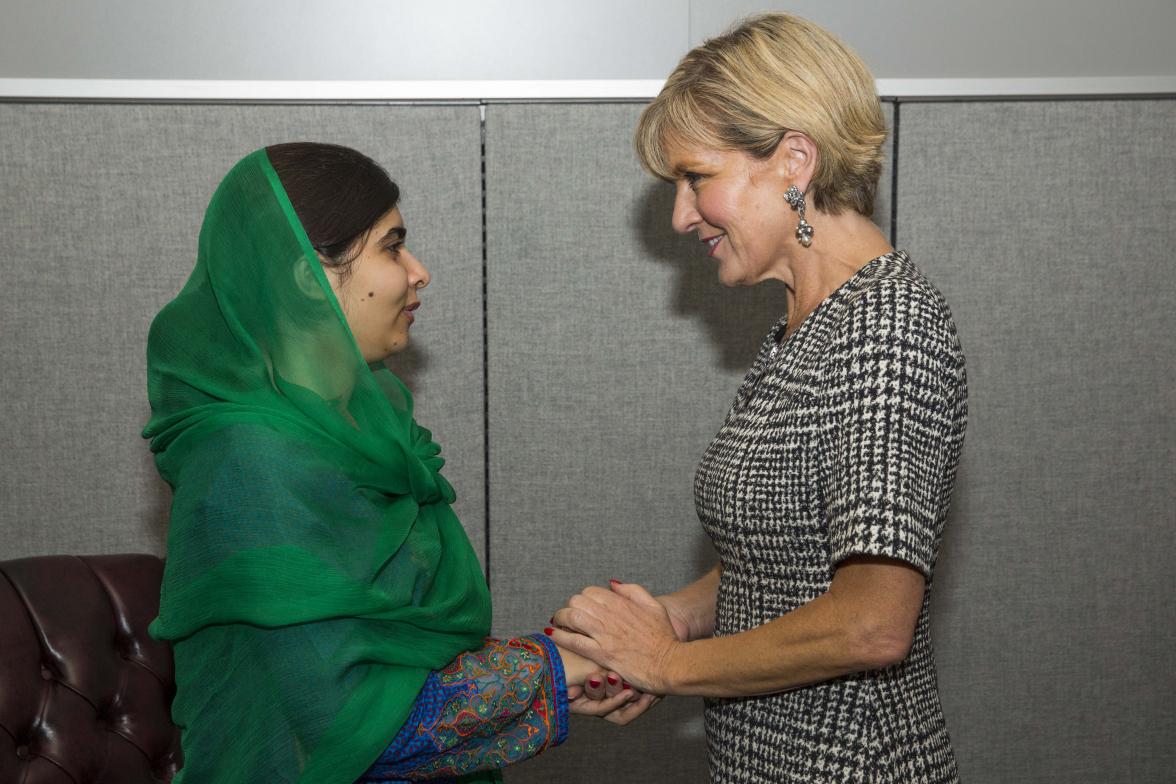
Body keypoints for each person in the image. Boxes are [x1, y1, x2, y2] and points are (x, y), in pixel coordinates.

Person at [549, 13, 968, 783]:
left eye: (696, 177)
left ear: (794, 161)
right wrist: (672, 618)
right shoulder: (805, 327)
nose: (680, 216)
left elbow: (872, 624)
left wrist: (671, 664)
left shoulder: (887, 327)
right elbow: (789, 562)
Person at [144, 142, 637, 784]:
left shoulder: (362, 426)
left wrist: (559, 671)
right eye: (392, 246)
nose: (419, 270)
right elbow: (346, 727)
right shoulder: (250, 462)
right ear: (309, 275)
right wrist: (557, 666)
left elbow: (398, 664)